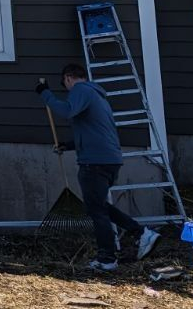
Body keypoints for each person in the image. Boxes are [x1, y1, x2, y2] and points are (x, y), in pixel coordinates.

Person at [37, 63, 161, 271]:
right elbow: (93, 132)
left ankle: (108, 258)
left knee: (96, 210)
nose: (67, 89)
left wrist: (46, 94)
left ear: (68, 78)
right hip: (108, 159)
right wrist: (68, 145)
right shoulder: (97, 96)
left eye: (64, 84)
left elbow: (67, 111)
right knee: (98, 206)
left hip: (94, 162)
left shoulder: (81, 90)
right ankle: (140, 233)